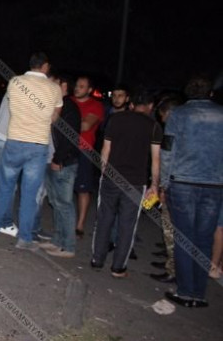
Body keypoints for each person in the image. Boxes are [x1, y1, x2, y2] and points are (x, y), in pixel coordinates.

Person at [0, 53, 63, 251]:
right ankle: (24, 238)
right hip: (38, 146)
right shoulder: (54, 88)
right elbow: (54, 118)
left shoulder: (15, 82)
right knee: (29, 192)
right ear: (45, 66)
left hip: (14, 142)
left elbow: (13, 107)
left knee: (4, 186)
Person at [161, 75, 223, 307]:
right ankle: (199, 293)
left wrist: (164, 183)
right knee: (204, 239)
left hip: (183, 181)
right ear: (210, 93)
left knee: (184, 238)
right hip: (214, 185)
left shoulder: (178, 114)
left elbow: (168, 150)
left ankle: (186, 291)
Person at [90, 90, 162, 277]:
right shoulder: (154, 126)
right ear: (151, 106)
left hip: (111, 177)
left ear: (131, 104)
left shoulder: (116, 119)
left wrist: (103, 173)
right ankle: (118, 267)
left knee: (104, 219)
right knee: (127, 225)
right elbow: (156, 159)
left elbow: (106, 149)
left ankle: (97, 260)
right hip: (136, 182)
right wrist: (154, 185)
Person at [39, 74, 81, 258]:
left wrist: (58, 159)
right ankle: (57, 241)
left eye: (54, 83)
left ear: (64, 86)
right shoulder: (56, 105)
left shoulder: (69, 107)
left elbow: (69, 138)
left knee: (64, 204)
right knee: (55, 203)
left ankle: (68, 246)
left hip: (63, 163)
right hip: (52, 160)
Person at [150, 96, 183, 284]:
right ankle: (172, 264)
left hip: (176, 185)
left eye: (162, 116)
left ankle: (173, 271)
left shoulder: (174, 129)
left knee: (171, 229)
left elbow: (167, 159)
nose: (162, 120)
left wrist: (162, 186)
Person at [71, 75, 105, 237]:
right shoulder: (68, 101)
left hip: (84, 150)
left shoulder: (96, 105)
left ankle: (80, 225)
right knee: (61, 187)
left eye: (82, 86)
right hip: (65, 148)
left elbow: (85, 125)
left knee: (83, 189)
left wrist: (63, 120)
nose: (77, 88)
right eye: (77, 85)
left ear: (90, 90)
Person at [0, 95, 18, 236]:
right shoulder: (32, 90)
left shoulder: (14, 85)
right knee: (9, 183)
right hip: (9, 138)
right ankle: (5, 222)